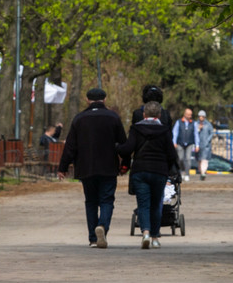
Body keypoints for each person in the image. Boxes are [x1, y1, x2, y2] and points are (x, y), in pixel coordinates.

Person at [57, 87, 128, 248]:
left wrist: (63, 167)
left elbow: (70, 146)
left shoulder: (79, 119)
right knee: (107, 199)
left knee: (91, 201)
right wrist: (125, 164)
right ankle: (102, 226)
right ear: (104, 99)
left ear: (87, 100)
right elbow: (123, 144)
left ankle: (93, 238)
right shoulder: (113, 118)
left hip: (86, 167)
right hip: (109, 167)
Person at [118, 101, 178, 250]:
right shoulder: (164, 131)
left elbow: (127, 149)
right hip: (159, 171)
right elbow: (172, 154)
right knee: (157, 204)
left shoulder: (136, 129)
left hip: (140, 170)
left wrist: (116, 147)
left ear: (144, 114)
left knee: (143, 204)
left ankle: (145, 233)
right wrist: (168, 168)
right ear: (159, 115)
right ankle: (155, 237)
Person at [172, 108, 197, 181]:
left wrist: (197, 145)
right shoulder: (178, 122)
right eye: (189, 114)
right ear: (185, 114)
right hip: (180, 143)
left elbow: (196, 134)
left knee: (188, 159)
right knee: (180, 158)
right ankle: (181, 171)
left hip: (189, 143)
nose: (190, 116)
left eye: (191, 115)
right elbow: (175, 133)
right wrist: (174, 142)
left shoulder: (193, 123)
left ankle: (187, 174)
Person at [195, 109, 214, 179]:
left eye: (202, 116)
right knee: (199, 159)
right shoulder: (196, 124)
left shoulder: (208, 124)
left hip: (206, 146)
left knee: (204, 159)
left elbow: (211, 133)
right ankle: (201, 172)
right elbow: (194, 133)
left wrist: (207, 141)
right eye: (200, 116)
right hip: (198, 145)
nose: (201, 118)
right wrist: (198, 129)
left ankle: (203, 173)